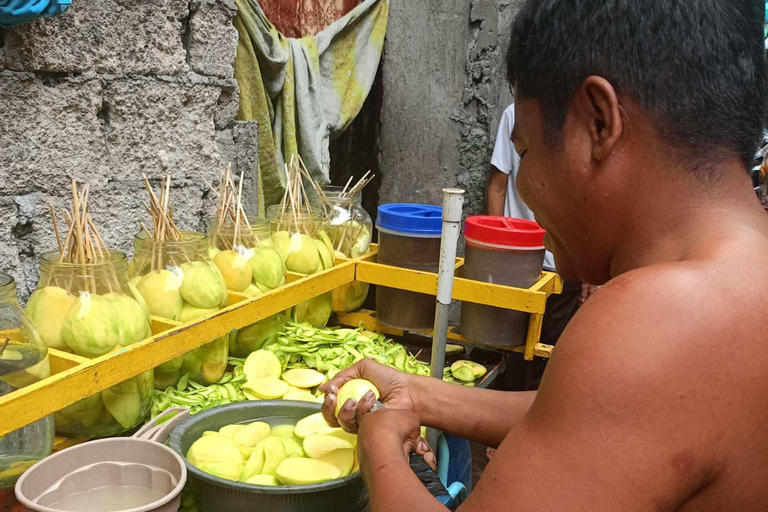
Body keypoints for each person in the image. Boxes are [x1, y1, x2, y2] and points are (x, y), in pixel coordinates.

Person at [319, 0, 768, 510]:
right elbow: (592, 417)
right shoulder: (746, 273)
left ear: (599, 123)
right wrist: (416, 394)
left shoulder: (662, 315)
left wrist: (378, 444)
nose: (524, 186)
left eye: (526, 150)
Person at [487, 104, 595, 392]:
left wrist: (588, 270)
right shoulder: (516, 114)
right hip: (515, 264)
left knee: (547, 358)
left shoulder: (584, 119)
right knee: (508, 354)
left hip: (563, 268)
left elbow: (588, 202)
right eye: (523, 153)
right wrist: (495, 253)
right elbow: (497, 187)